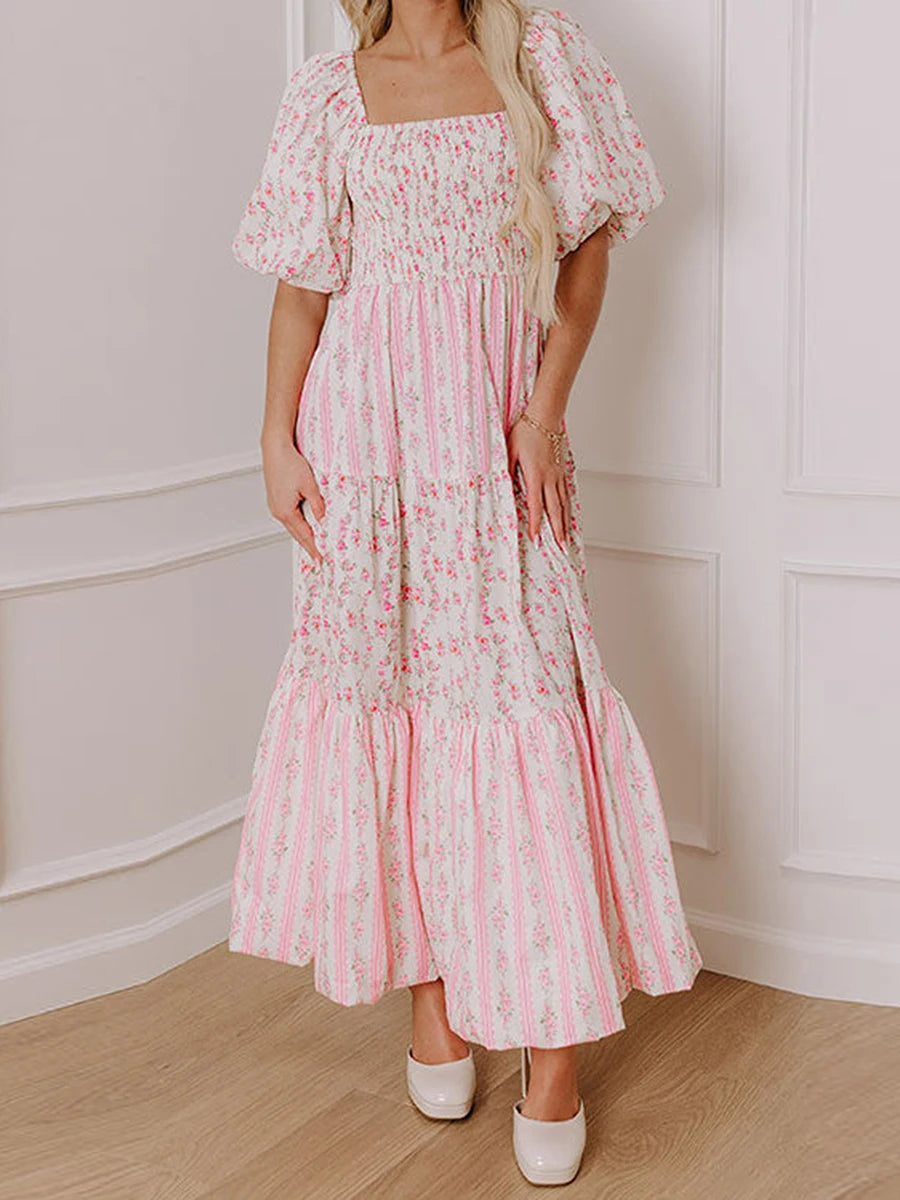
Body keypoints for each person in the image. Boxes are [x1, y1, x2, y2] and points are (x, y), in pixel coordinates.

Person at [228, 0, 702, 1185]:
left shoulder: (542, 55)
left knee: (524, 719)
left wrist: (544, 415)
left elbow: (590, 244)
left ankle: (551, 1050)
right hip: (365, 454)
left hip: (498, 451)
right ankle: (430, 995)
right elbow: (303, 289)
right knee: (399, 708)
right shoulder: (329, 93)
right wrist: (277, 443)